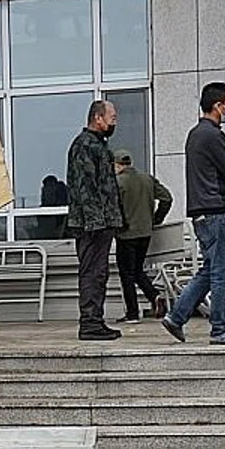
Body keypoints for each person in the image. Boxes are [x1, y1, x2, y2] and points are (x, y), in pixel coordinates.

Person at [161, 82, 225, 345]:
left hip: (202, 213)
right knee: (223, 272)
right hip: (217, 212)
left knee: (209, 269)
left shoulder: (195, 134)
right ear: (217, 106)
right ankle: (221, 329)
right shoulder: (213, 135)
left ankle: (176, 317)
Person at [65, 100, 127, 341]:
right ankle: (90, 323)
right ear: (98, 118)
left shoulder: (98, 146)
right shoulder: (85, 146)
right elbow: (85, 188)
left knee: (99, 273)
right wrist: (95, 222)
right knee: (92, 273)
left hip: (103, 222)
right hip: (92, 225)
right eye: (112, 116)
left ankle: (95, 320)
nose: (115, 121)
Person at [112, 149, 171, 323]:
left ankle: (132, 313)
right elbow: (167, 198)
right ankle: (154, 296)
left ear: (117, 164)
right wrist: (156, 220)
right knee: (137, 270)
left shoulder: (118, 182)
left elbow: (113, 208)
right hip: (145, 233)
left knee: (127, 274)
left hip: (125, 234)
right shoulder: (147, 178)